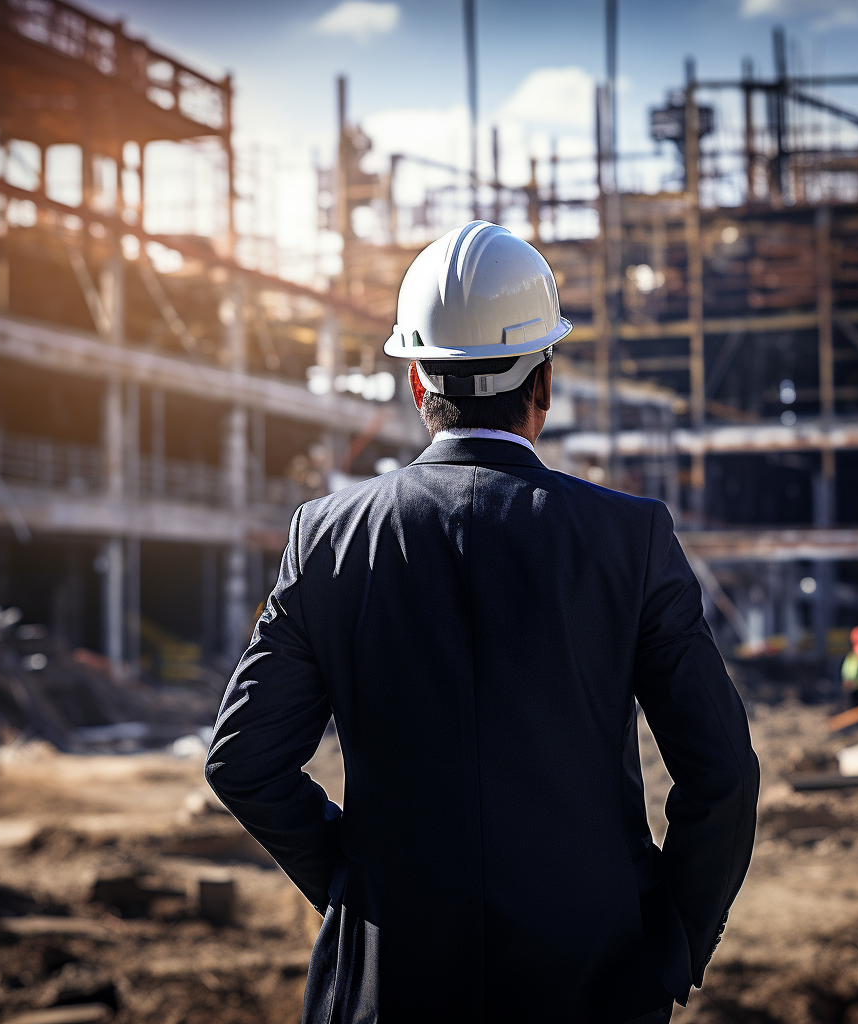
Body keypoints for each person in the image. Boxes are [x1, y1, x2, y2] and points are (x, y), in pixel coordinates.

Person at [205, 222, 760, 1024]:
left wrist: (359, 887)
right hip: (592, 988)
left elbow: (242, 762)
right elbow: (723, 774)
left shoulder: (325, 539)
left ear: (416, 380)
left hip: (383, 993)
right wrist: (670, 942)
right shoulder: (628, 538)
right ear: (545, 384)